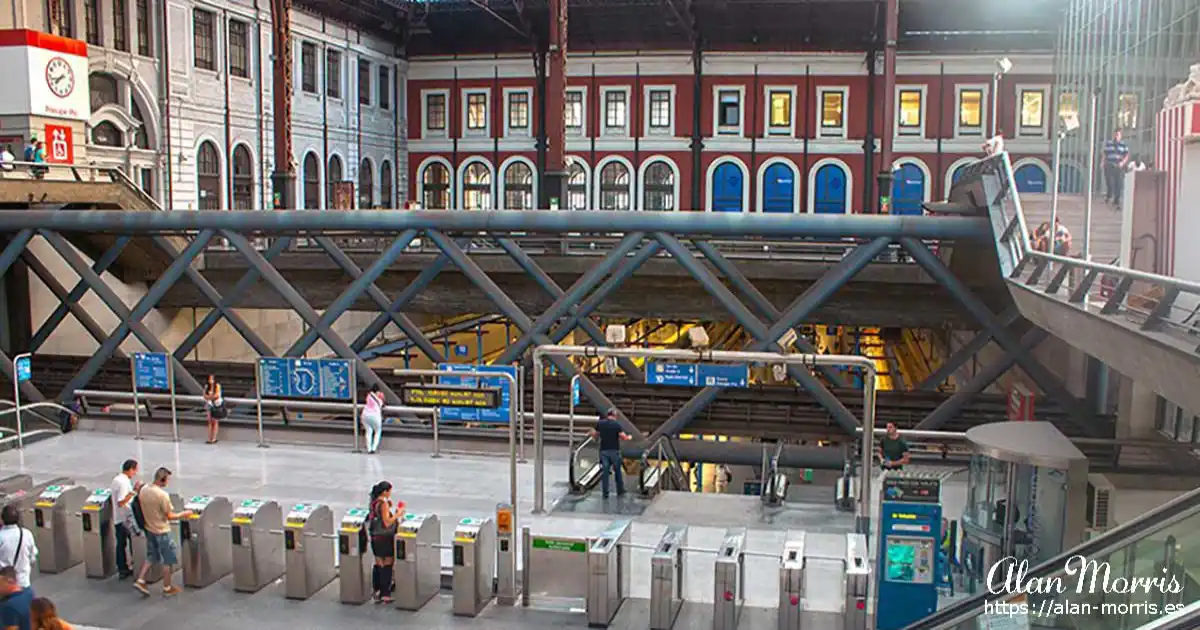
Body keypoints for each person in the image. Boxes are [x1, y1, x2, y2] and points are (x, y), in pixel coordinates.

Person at [132, 468, 192, 597]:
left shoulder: (144, 490)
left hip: (149, 529)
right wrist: (184, 514)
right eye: (168, 479)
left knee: (151, 556)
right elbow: (170, 516)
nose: (168, 482)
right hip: (162, 530)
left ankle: (140, 579)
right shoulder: (162, 495)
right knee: (168, 559)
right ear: (163, 479)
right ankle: (167, 587)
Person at [368, 481, 403, 604]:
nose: (390, 493)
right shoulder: (383, 503)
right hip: (384, 537)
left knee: (378, 563)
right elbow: (387, 522)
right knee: (387, 563)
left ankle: (376, 590)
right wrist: (398, 514)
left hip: (375, 537)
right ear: (385, 491)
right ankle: (385, 594)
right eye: (389, 491)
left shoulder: (374, 501)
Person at [110, 459, 143, 579]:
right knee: (134, 541)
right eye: (135, 471)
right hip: (126, 519)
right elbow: (121, 501)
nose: (134, 474)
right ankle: (135, 566)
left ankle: (122, 568)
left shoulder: (116, 480)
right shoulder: (123, 482)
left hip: (118, 518)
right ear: (131, 469)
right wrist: (134, 491)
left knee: (121, 544)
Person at [589, 409, 631, 499]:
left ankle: (605, 493)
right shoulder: (617, 425)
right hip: (614, 451)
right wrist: (629, 437)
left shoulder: (601, 423)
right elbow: (623, 437)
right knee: (617, 471)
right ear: (614, 415)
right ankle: (620, 490)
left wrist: (594, 438)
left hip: (603, 451)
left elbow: (594, 433)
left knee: (605, 472)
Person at [0, 506, 37, 591]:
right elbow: (33, 556)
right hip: (24, 582)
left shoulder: (1, 537)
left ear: (2, 519)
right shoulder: (27, 534)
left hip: (4, 586)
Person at [1103, 129, 1130, 207]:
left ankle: (1116, 200)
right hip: (1109, 165)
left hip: (1119, 166)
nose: (1116, 136)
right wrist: (1103, 162)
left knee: (1118, 183)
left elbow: (1126, 155)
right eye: (1115, 134)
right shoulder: (1109, 144)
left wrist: (1122, 163)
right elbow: (1105, 154)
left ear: (1120, 136)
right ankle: (1109, 195)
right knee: (1109, 182)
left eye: (1117, 135)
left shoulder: (1123, 145)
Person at [361, 384, 385, 454]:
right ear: (378, 391)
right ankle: (373, 448)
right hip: (375, 416)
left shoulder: (368, 396)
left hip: (365, 415)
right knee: (378, 431)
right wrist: (381, 397)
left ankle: (369, 449)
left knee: (368, 431)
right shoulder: (379, 399)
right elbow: (382, 404)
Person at [203, 375, 225, 444]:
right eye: (209, 379)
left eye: (212, 379)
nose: (210, 380)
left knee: (215, 421)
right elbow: (204, 395)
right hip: (209, 404)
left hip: (216, 404)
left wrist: (209, 397)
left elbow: (217, 395)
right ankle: (209, 438)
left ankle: (214, 438)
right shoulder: (207, 386)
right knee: (209, 421)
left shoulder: (217, 385)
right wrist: (209, 397)